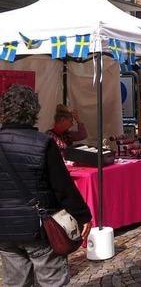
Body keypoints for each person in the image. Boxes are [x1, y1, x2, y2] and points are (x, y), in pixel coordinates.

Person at [0, 85, 92, 286]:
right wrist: (83, 215)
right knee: (52, 282)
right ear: (34, 112)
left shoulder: (44, 142)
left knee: (15, 283)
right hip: (39, 226)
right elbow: (63, 187)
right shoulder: (43, 143)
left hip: (5, 227)